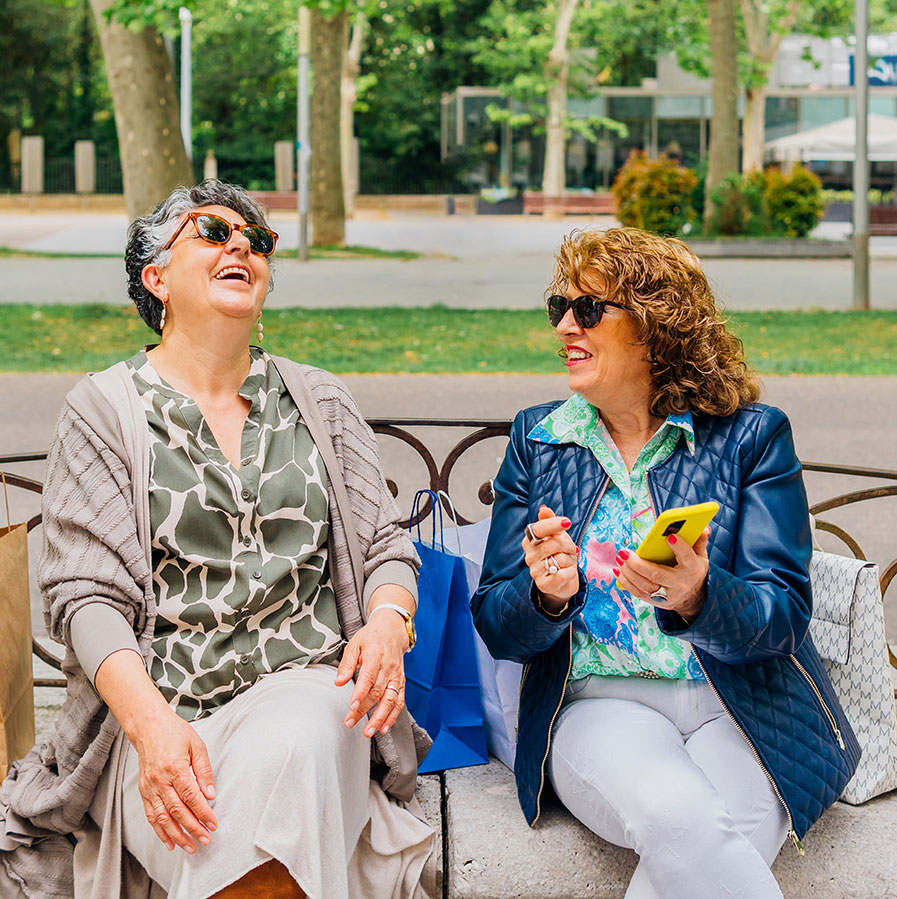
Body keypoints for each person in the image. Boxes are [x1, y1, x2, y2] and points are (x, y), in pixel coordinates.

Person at [0, 180, 434, 899]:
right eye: (213, 232)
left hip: (308, 696)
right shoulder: (104, 409)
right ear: (156, 277)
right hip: (159, 720)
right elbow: (86, 597)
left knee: (292, 746)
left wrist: (387, 622)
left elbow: (384, 545)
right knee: (241, 836)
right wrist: (151, 729)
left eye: (257, 240)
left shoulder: (317, 398)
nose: (242, 244)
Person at [471, 227, 859, 898]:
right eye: (557, 306)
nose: (565, 323)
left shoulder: (749, 436)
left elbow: (784, 618)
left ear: (654, 326)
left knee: (713, 838)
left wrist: (699, 594)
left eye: (588, 308)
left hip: (743, 704)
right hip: (598, 704)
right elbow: (498, 626)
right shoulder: (540, 441)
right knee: (679, 815)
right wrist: (545, 596)